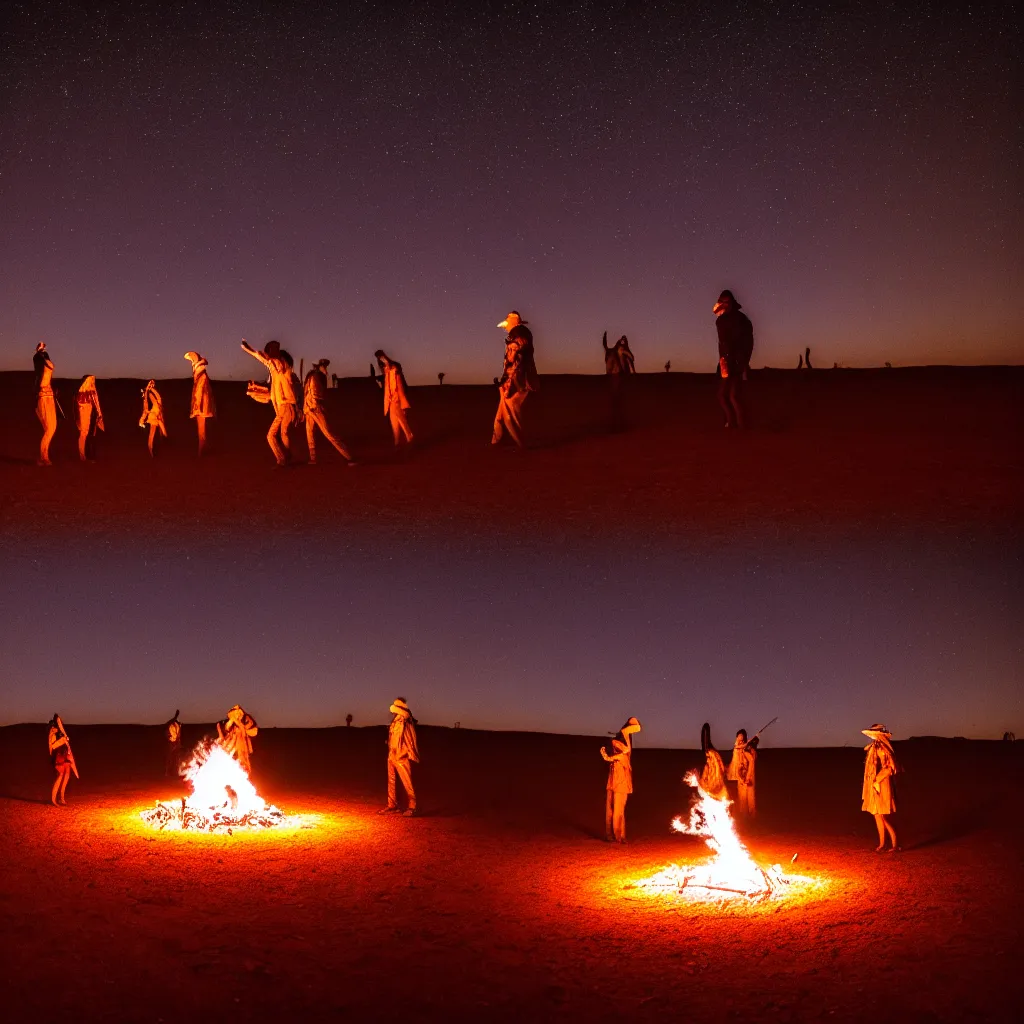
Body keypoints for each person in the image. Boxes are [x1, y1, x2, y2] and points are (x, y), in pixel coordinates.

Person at [242, 339, 300, 465]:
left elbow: (264, 359)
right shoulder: (279, 371)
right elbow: (274, 392)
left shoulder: (280, 367)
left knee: (272, 435)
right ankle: (288, 458)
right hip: (284, 406)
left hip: (285, 406)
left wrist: (249, 349)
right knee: (283, 434)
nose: (269, 354)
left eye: (272, 350)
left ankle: (283, 460)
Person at [492, 311, 538, 448]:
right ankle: (497, 439)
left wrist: (507, 380)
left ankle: (521, 444)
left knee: (511, 413)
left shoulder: (517, 336)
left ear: (513, 323)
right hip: (518, 378)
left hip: (516, 380)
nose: (505, 327)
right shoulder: (522, 335)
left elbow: (514, 360)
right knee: (502, 412)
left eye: (507, 324)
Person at [713, 290, 754, 428]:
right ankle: (733, 423)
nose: (722, 304)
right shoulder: (721, 320)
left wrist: (742, 363)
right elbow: (722, 343)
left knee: (731, 396)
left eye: (725, 301)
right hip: (728, 362)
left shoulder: (740, 320)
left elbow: (747, 342)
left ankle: (739, 425)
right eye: (721, 301)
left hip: (735, 362)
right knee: (726, 396)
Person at [303, 358, 355, 465]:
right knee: (319, 433)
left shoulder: (314, 376)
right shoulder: (315, 376)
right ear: (319, 366)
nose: (325, 368)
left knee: (318, 433)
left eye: (325, 366)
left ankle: (347, 456)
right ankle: (348, 457)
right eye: (324, 366)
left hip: (310, 408)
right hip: (313, 408)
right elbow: (315, 394)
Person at [600, 716, 641, 843]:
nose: (615, 745)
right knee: (610, 810)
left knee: (618, 810)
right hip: (612, 783)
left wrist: (606, 755)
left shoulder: (624, 756)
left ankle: (619, 836)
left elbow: (624, 750)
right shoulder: (617, 755)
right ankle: (610, 835)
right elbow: (612, 756)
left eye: (616, 744)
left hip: (621, 785)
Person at [862, 723, 899, 852]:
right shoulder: (874, 747)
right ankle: (882, 844)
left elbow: (889, 767)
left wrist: (877, 780)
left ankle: (894, 844)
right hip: (874, 785)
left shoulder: (882, 748)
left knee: (882, 816)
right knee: (877, 815)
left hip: (881, 785)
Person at [379, 697, 419, 816]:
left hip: (402, 754)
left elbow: (406, 714)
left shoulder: (406, 718)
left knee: (407, 780)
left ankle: (413, 806)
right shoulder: (395, 721)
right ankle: (392, 805)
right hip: (392, 754)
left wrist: (397, 707)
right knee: (391, 781)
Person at [374, 350, 414, 446]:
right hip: (391, 400)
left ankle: (409, 437)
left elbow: (401, 384)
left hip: (398, 399)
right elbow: (387, 386)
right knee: (394, 422)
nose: (381, 360)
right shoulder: (386, 371)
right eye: (379, 358)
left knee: (401, 420)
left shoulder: (395, 366)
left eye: (382, 357)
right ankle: (398, 442)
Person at [184, 351, 216, 455]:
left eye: (192, 361)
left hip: (201, 406)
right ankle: (203, 449)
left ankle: (200, 452)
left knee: (201, 430)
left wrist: (197, 405)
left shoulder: (201, 377)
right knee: (201, 429)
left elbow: (199, 392)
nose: (191, 363)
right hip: (202, 405)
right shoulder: (200, 376)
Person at [33, 342, 58, 466]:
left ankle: (44, 456)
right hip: (43, 398)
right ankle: (44, 457)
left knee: (52, 427)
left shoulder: (47, 367)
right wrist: (40, 353)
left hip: (49, 397)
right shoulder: (40, 373)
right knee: (49, 429)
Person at [216, 705, 258, 775]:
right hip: (233, 743)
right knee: (231, 758)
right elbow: (227, 728)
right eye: (234, 713)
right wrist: (232, 721)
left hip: (242, 742)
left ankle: (245, 772)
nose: (236, 714)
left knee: (243, 758)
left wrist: (240, 725)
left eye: (237, 713)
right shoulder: (232, 722)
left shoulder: (246, 718)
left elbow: (250, 725)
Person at [726, 729, 758, 817]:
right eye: (739, 736)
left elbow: (750, 762)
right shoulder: (738, 746)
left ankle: (751, 816)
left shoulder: (748, 751)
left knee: (750, 798)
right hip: (740, 775)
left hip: (746, 776)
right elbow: (738, 747)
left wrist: (747, 777)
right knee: (742, 797)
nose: (741, 738)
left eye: (742, 737)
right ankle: (744, 816)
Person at [48, 714, 76, 806]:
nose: (60, 722)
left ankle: (62, 798)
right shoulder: (52, 733)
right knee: (60, 776)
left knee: (67, 775)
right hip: (59, 757)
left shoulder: (60, 731)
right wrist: (62, 740)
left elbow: (65, 742)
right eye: (58, 721)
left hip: (65, 756)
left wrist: (65, 740)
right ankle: (53, 799)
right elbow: (53, 746)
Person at [75, 375, 104, 462]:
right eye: (90, 381)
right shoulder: (81, 394)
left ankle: (87, 455)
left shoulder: (90, 393)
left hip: (91, 416)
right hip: (85, 417)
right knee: (84, 433)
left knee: (89, 435)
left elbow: (96, 404)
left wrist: (98, 415)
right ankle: (83, 455)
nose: (92, 383)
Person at [698, 722, 729, 800]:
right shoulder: (708, 764)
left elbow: (720, 768)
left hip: (716, 788)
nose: (708, 758)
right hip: (711, 787)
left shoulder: (714, 756)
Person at [139, 380, 167, 457]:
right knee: (152, 436)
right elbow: (149, 399)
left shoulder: (158, 403)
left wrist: (150, 389)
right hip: (151, 420)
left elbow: (156, 396)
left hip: (154, 420)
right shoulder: (155, 404)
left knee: (159, 435)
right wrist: (149, 389)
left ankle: (152, 450)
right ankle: (151, 450)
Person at [164, 709, 182, 777]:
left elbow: (179, 735)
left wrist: (178, 743)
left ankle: (175, 773)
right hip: (171, 743)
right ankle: (167, 773)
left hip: (176, 743)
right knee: (169, 758)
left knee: (176, 758)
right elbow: (167, 734)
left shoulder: (178, 725)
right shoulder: (169, 724)